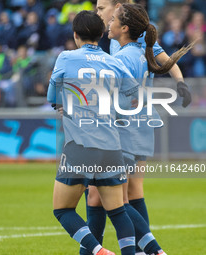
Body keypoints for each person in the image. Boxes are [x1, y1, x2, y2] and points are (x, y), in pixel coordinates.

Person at [81, 3, 192, 255]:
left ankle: (149, 250)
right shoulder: (134, 40)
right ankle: (141, 251)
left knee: (108, 194)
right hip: (142, 120)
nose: (98, 13)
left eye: (101, 8)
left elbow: (118, 90)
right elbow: (163, 63)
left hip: (124, 125)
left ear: (117, 11)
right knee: (123, 192)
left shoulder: (127, 46)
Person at [48, 10, 141, 255]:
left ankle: (98, 250)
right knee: (118, 211)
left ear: (75, 35)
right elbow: (134, 97)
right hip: (111, 146)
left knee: (63, 209)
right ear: (101, 35)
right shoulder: (115, 62)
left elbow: (52, 97)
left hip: (80, 145)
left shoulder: (67, 58)